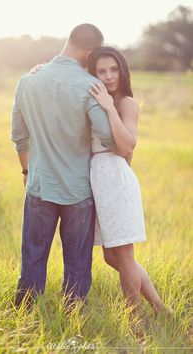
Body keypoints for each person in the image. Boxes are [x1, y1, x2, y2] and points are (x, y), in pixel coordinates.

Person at [11, 25, 124, 309]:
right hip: (78, 191)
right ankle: (72, 315)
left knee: (33, 258)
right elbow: (110, 140)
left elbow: (19, 137)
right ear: (89, 53)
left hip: (39, 186)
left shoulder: (28, 80)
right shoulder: (89, 86)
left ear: (68, 41)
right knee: (77, 262)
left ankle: (26, 313)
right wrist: (110, 107)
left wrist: (27, 172)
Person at [87, 46, 170, 316]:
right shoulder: (95, 95)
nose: (109, 76)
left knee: (124, 256)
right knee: (112, 256)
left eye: (114, 69)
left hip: (114, 179)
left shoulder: (124, 102)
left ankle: (135, 320)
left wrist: (109, 108)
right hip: (98, 179)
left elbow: (127, 146)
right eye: (102, 71)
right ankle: (161, 309)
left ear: (122, 71)